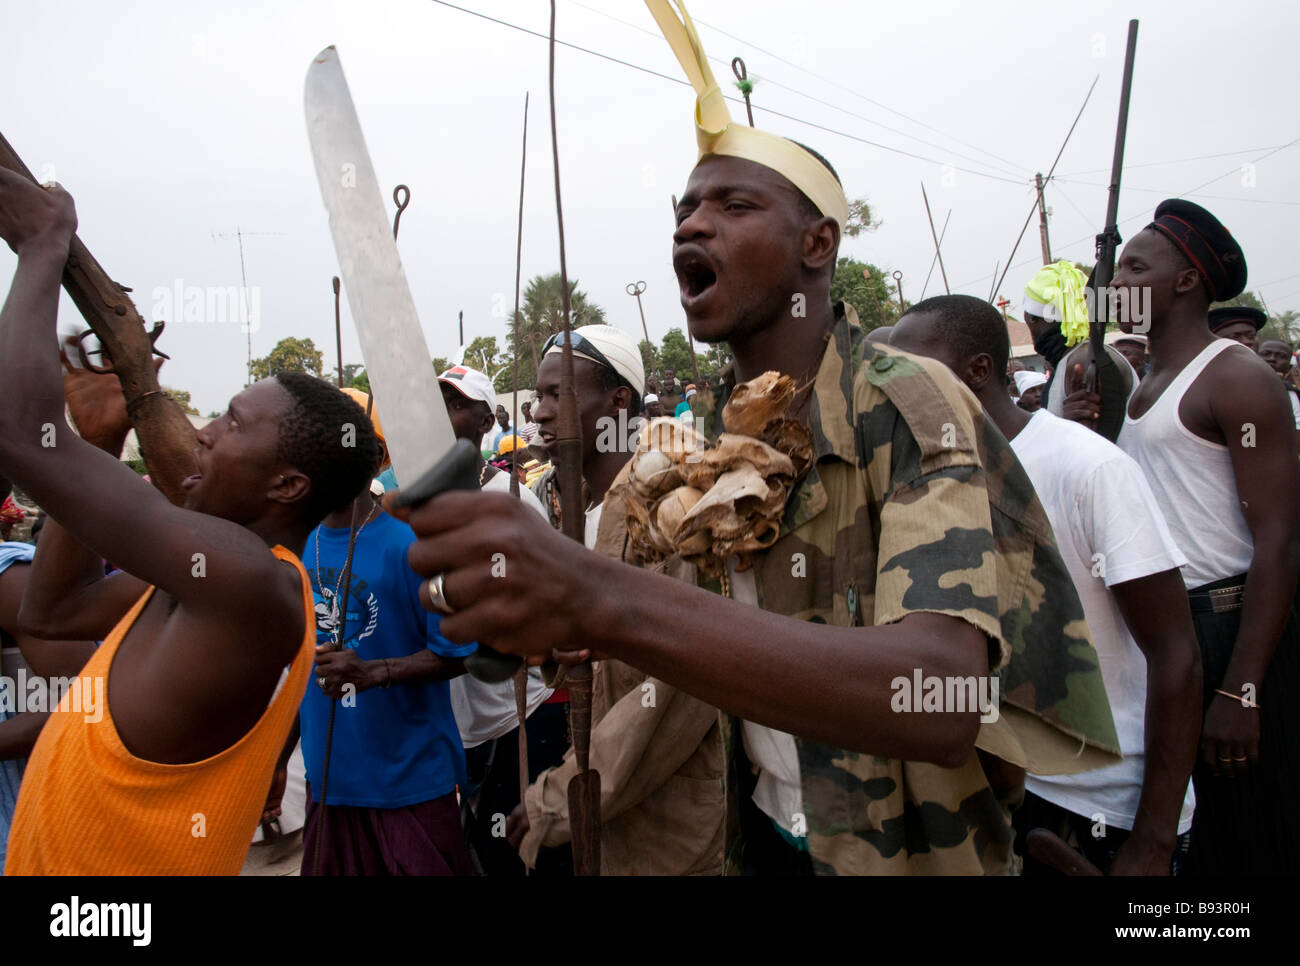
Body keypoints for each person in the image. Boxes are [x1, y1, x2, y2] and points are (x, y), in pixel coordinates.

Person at [391, 0, 1117, 876]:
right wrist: (529, 612)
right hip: (754, 837)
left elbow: (941, 696)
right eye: (685, 210)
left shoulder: (907, 402)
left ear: (817, 242)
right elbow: (686, 638)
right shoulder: (705, 439)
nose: (691, 226)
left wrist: (598, 597)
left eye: (733, 205)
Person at [0, 169, 382, 874]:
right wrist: (97, 442)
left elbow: (21, 432)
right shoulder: (206, 576)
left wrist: (41, 247)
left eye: (232, 422)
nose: (203, 430)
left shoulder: (249, 586)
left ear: (288, 482)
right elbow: (50, 614)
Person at [891, 295, 1201, 875]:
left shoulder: (1088, 469)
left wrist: (1154, 838)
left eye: (909, 368)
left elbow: (1176, 653)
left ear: (978, 371)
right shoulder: (928, 472)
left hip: (1104, 805)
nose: (891, 387)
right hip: (1001, 790)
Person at [1065, 198, 1300, 874]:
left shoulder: (1237, 377)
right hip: (1165, 634)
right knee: (1191, 832)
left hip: (1225, 629)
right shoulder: (1137, 383)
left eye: (1135, 265)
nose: (1115, 282)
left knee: (1250, 829)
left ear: (1186, 281)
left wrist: (1242, 688)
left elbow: (1279, 540)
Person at [510, 323, 727, 875]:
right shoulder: (575, 503)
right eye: (539, 396)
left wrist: (558, 799)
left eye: (559, 394)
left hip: (669, 817)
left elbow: (678, 686)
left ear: (618, 400)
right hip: (609, 805)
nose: (539, 412)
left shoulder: (669, 501)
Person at [297, 388, 477, 876]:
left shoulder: (419, 545)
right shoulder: (298, 546)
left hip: (410, 782)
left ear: (375, 457)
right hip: (329, 781)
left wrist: (376, 670)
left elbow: (460, 652)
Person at [434, 366, 562, 876]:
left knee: (519, 855)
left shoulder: (512, 499)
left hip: (522, 713)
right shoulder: (424, 499)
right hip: (464, 721)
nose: (442, 414)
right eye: (436, 400)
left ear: (486, 419)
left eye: (455, 403)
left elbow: (549, 597)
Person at [1258, 340, 1300, 430]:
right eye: (1266, 354)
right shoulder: (1234, 387)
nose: (1272, 359)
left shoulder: (1292, 395)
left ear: (1289, 368)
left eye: (1281, 356)